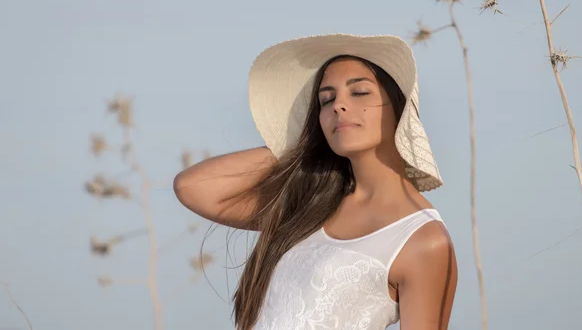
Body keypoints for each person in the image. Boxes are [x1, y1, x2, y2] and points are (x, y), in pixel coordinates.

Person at [173, 34, 458, 330]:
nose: (339, 106)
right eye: (326, 99)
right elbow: (192, 186)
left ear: (400, 108)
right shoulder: (306, 207)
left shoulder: (423, 239)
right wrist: (305, 143)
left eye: (359, 92)